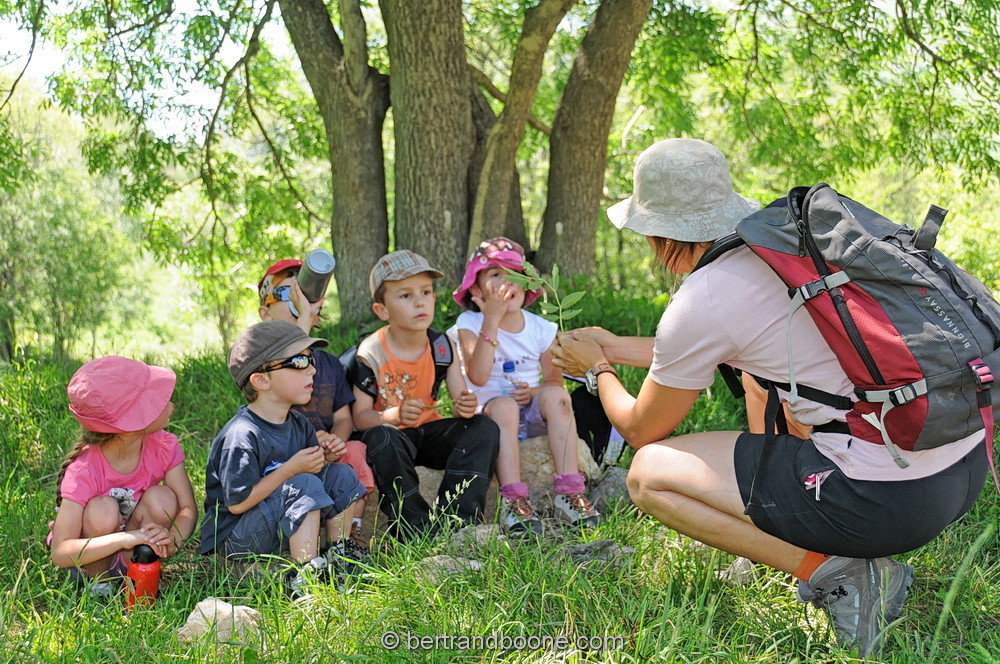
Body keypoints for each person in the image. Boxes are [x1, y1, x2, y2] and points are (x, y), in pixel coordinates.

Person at [550, 138, 988, 657]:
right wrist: (613, 345)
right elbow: (708, 347)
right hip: (960, 469)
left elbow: (643, 427)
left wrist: (596, 368)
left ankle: (840, 577)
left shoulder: (706, 296)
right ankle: (844, 551)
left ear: (657, 235)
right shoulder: (787, 252)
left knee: (649, 473)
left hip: (885, 501)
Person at [200, 320, 368, 596]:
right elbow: (238, 503)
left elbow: (312, 479)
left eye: (311, 360)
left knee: (341, 474)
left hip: (275, 522)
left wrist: (323, 459)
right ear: (261, 380)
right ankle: (304, 576)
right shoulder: (242, 435)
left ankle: (340, 558)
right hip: (237, 538)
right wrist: (292, 470)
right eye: (300, 362)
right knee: (303, 483)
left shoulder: (299, 423)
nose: (313, 370)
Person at [452, 237, 601, 533]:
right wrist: (490, 320)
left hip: (532, 415)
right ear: (476, 289)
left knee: (557, 396)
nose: (509, 283)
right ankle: (513, 501)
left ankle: (570, 493)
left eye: (516, 275)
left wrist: (534, 393)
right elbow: (478, 376)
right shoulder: (468, 324)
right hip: (491, 418)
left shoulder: (541, 328)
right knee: (505, 406)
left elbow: (553, 381)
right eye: (496, 275)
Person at [351, 250, 500, 539]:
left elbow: (461, 400)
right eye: (405, 296)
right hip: (393, 439)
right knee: (381, 437)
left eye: (426, 292)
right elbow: (360, 418)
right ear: (382, 310)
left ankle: (459, 519)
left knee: (484, 427)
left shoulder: (441, 345)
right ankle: (414, 527)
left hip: (429, 433)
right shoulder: (370, 352)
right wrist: (391, 416)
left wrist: (466, 405)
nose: (420, 301)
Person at [49, 356, 198, 593]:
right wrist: (126, 539)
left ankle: (140, 570)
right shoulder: (84, 469)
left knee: (164, 497)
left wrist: (170, 539)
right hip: (88, 560)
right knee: (102, 509)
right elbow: (60, 551)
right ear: (133, 422)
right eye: (157, 401)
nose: (171, 404)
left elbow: (187, 508)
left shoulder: (164, 445)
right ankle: (100, 586)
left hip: (135, 548)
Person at [257, 259, 375, 550]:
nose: (299, 301)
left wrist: (336, 440)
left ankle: (349, 536)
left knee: (356, 451)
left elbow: (344, 417)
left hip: (327, 450)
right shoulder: (262, 361)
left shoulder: (328, 363)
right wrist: (311, 441)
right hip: (286, 454)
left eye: (305, 293)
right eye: (287, 294)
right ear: (265, 313)